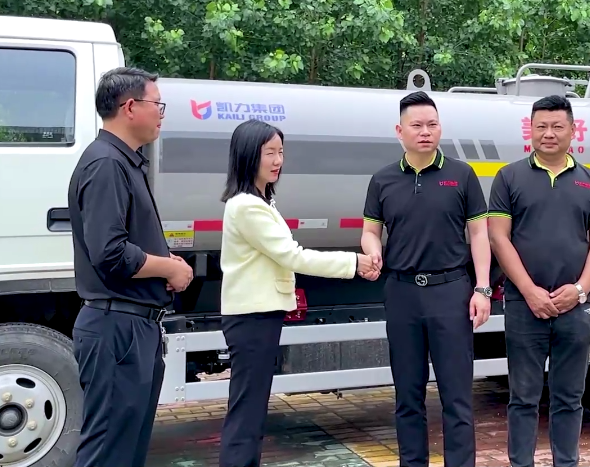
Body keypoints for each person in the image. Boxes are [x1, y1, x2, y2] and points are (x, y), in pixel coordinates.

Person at [218, 118, 381, 467]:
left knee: (251, 407)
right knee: (247, 411)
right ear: (248, 155)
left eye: (281, 152)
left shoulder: (261, 201)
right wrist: (354, 262)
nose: (278, 160)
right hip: (252, 317)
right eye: (269, 153)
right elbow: (293, 256)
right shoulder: (246, 206)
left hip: (258, 315)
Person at [68, 67, 195, 467]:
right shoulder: (106, 164)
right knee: (109, 451)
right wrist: (168, 269)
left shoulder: (123, 162)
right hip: (117, 330)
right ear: (129, 107)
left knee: (125, 450)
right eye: (157, 104)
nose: (162, 113)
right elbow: (110, 253)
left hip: (130, 327)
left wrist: (164, 263)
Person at [360, 91, 493, 467]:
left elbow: (479, 234)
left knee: (457, 397)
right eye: (416, 125)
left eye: (432, 124)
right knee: (408, 396)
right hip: (402, 293)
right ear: (399, 131)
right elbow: (370, 231)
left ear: (440, 129)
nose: (425, 132)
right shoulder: (383, 180)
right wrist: (373, 250)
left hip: (451, 292)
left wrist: (482, 288)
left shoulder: (461, 175)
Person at [486, 94, 590, 467]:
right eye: (541, 126)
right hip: (525, 306)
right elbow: (498, 238)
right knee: (523, 397)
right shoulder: (509, 177)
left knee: (569, 397)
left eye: (557, 126)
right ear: (531, 130)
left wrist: (580, 290)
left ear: (573, 130)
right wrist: (529, 291)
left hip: (574, 306)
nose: (549, 133)